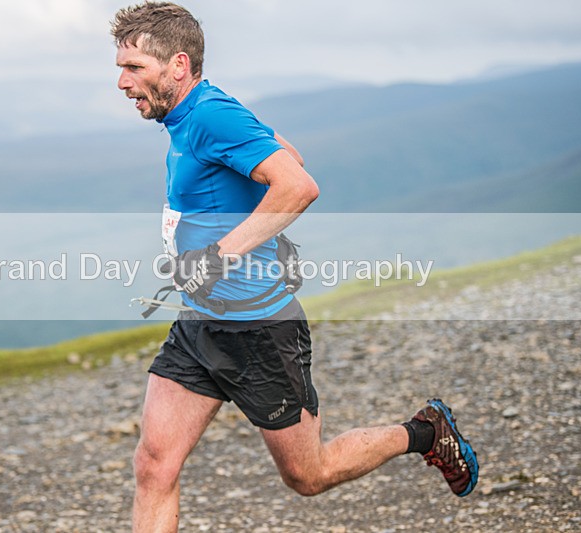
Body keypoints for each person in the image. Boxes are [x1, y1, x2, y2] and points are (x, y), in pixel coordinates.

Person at [110, 3, 479, 531]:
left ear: (178, 64)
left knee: (309, 475)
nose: (122, 82)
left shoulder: (212, 114)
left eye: (135, 68)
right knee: (153, 465)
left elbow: (299, 184)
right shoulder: (191, 114)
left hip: (260, 331)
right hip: (200, 324)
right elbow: (290, 155)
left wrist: (219, 255)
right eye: (121, 67)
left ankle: (425, 432)